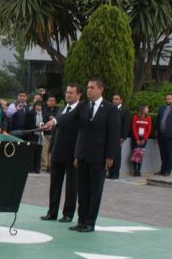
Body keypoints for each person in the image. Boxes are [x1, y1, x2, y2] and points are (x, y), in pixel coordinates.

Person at [46, 78, 119, 232]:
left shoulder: (110, 109)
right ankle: (81, 221)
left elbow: (113, 135)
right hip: (82, 155)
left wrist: (110, 156)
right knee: (82, 191)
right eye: (87, 88)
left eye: (92, 88)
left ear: (100, 89)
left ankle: (90, 222)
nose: (88, 90)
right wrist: (54, 121)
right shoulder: (83, 106)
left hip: (99, 157)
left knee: (95, 191)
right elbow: (68, 117)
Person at [41, 84, 81, 222]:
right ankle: (52, 212)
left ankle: (68, 214)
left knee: (71, 186)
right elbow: (56, 131)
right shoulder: (62, 109)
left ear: (78, 95)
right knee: (54, 184)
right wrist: (51, 150)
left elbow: (81, 134)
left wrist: (78, 154)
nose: (68, 95)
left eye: (71, 92)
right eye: (67, 92)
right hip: (57, 152)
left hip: (72, 154)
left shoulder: (81, 111)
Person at [155, 93, 172, 176]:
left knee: (169, 153)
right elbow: (158, 119)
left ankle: (167, 171)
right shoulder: (161, 108)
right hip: (161, 135)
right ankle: (162, 170)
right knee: (162, 154)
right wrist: (156, 130)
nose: (167, 100)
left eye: (169, 99)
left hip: (170, 135)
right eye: (166, 99)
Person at [107, 93, 130, 179]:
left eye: (117, 99)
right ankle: (110, 172)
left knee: (116, 155)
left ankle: (115, 173)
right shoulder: (110, 109)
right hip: (110, 136)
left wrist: (123, 137)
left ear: (121, 100)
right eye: (113, 99)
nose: (115, 100)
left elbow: (126, 125)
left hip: (118, 137)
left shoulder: (124, 110)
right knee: (110, 154)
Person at [130, 104, 152, 176]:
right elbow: (133, 128)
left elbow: (148, 129)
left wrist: (144, 139)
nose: (148, 110)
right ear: (142, 109)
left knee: (140, 154)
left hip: (143, 139)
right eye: (147, 108)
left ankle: (139, 170)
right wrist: (137, 139)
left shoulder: (148, 118)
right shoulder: (135, 117)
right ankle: (135, 170)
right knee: (135, 153)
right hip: (135, 138)